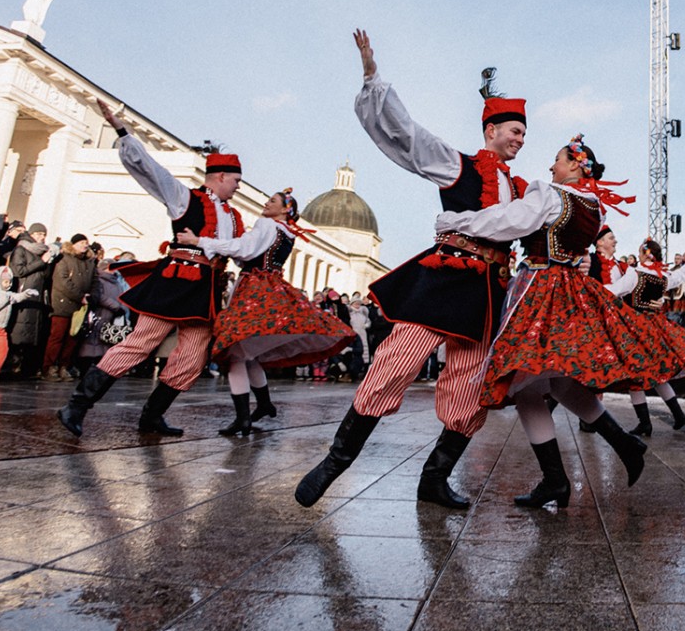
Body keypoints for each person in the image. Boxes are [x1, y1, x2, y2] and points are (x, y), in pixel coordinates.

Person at [295, 30, 530, 511]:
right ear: (490, 130)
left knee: (471, 386)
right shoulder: (458, 164)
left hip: (487, 291)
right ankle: (335, 462)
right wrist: (373, 78)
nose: (520, 139)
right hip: (447, 278)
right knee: (395, 363)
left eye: (524, 134)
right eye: (514, 131)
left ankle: (434, 479)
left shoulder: (522, 188)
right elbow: (409, 136)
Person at [434, 136, 676, 507]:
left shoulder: (549, 195)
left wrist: (457, 221)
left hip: (539, 292)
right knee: (554, 383)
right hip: (570, 295)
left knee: (525, 383)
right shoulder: (594, 206)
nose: (551, 166)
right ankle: (610, 450)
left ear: (576, 165)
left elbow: (507, 221)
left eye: (558, 160)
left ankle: (561, 477)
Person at [57, 98, 249, 438]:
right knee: (140, 344)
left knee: (193, 357)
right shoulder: (185, 197)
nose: (238, 186)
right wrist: (121, 130)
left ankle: (152, 415)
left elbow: (241, 251)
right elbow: (150, 170)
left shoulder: (234, 217)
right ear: (220, 176)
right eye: (236, 180)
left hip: (205, 290)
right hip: (177, 280)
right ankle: (76, 406)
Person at [177, 188, 354, 436]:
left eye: (272, 201)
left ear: (284, 209)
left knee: (235, 353)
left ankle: (243, 418)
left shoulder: (267, 225)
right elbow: (251, 254)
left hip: (254, 290)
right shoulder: (287, 233)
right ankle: (263, 404)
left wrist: (199, 241)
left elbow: (244, 249)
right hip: (272, 288)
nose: (266, 203)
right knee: (247, 355)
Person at [606, 235, 685, 435]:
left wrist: (591, 286)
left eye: (641, 251)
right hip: (656, 327)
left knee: (635, 375)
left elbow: (615, 290)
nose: (638, 254)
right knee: (657, 375)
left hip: (636, 327)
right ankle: (679, 416)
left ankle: (645, 423)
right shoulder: (663, 275)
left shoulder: (635, 273)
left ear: (647, 254)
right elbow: (683, 274)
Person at [8, 222, 57, 380]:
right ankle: (13, 365)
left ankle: (25, 367)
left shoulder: (43, 252)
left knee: (31, 333)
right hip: (24, 294)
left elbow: (46, 276)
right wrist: (41, 261)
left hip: (38, 296)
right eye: (39, 234)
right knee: (19, 331)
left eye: (44, 234)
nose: (42, 237)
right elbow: (19, 270)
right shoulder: (21, 249)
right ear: (32, 234)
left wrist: (47, 263)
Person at [44, 233, 96, 381]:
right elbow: (62, 282)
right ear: (73, 245)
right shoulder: (64, 259)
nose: (84, 245)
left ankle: (64, 366)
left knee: (72, 338)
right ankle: (49, 367)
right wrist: (80, 296)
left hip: (80, 306)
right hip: (63, 304)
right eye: (81, 243)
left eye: (86, 242)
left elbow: (94, 281)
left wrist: (91, 296)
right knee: (57, 337)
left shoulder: (89, 262)